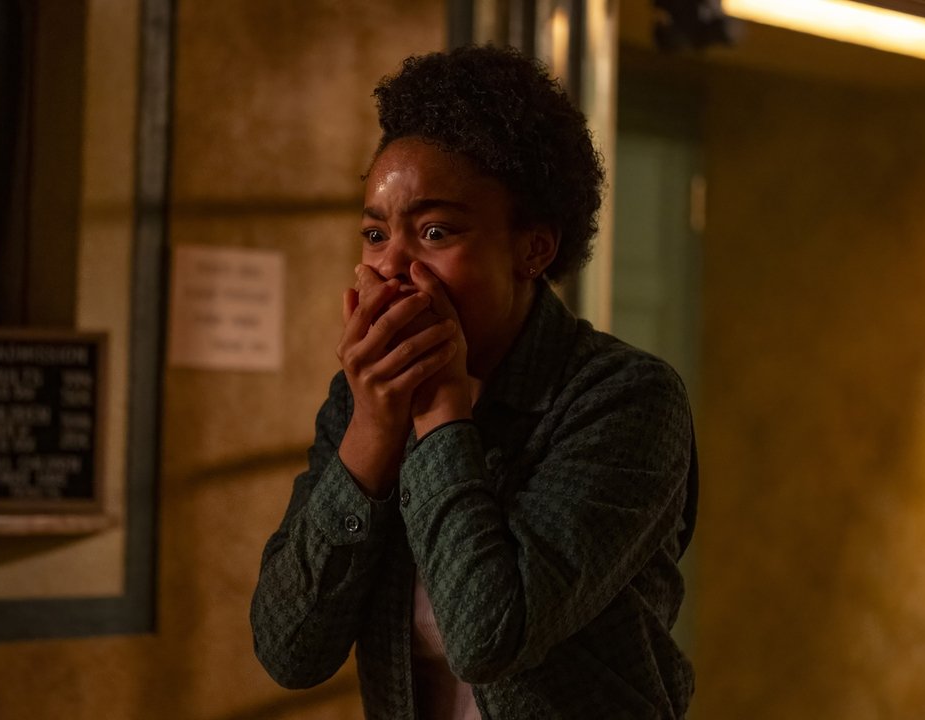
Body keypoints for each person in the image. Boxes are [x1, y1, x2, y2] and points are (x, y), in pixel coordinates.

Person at [250, 44, 698, 719]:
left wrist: (439, 412)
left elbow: (488, 636)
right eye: (375, 234)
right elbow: (289, 650)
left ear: (533, 248)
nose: (391, 266)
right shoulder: (364, 400)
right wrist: (371, 432)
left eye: (434, 232)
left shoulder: (625, 398)